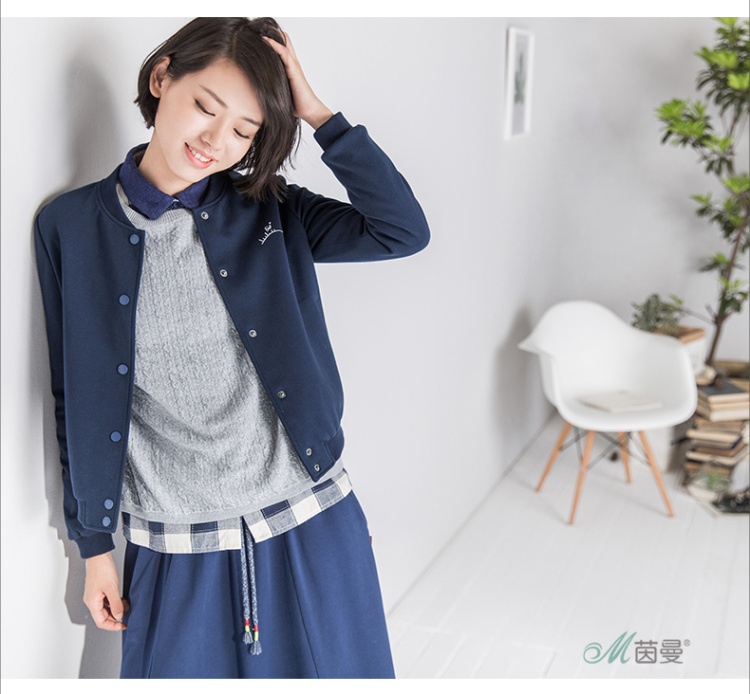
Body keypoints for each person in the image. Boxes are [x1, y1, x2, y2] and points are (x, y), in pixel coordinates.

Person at [34, 17, 429, 679]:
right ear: (162, 78)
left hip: (310, 519)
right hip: (175, 541)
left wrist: (316, 112)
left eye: (245, 130)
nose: (216, 142)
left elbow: (401, 230)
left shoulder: (269, 208)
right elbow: (74, 393)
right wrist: (94, 546)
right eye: (205, 107)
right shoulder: (70, 227)